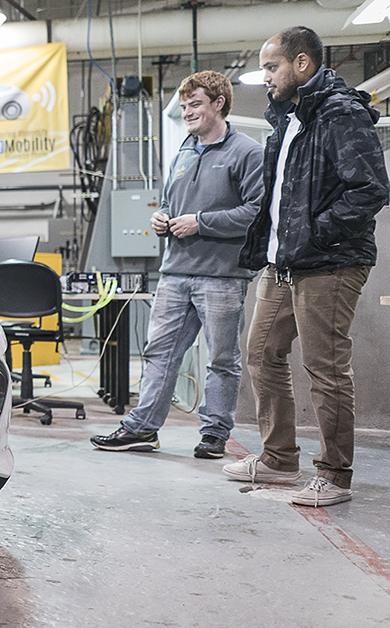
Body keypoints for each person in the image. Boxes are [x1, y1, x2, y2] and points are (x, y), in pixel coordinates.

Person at [223, 26, 388, 507]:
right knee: (260, 353)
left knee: (325, 369)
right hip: (283, 263)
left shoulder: (340, 113)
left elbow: (371, 189)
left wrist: (315, 234)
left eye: (271, 67)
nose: (266, 77)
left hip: (330, 263)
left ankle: (334, 475)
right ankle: (278, 458)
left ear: (302, 64)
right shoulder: (289, 120)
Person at [91, 71, 262, 458]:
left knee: (221, 359)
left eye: (195, 104)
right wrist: (162, 218)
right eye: (184, 106)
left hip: (222, 276)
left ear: (219, 104)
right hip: (176, 273)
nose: (187, 112)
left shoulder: (247, 153)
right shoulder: (184, 151)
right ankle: (142, 429)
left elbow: (255, 213)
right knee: (159, 353)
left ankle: (215, 434)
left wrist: (200, 222)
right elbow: (171, 204)